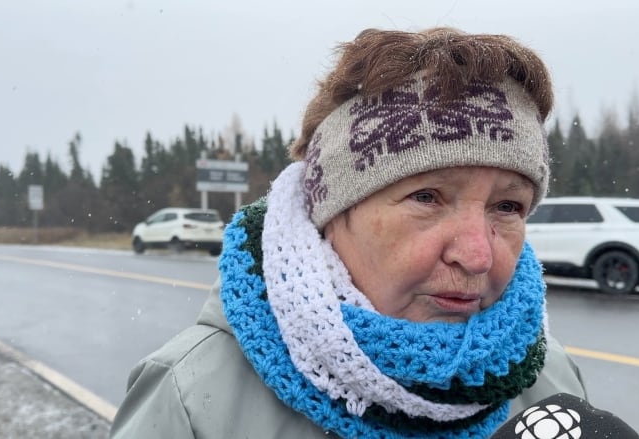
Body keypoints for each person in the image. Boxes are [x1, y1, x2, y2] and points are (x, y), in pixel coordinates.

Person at [110, 26, 588, 438]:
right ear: (330, 215)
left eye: (508, 206)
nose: (477, 255)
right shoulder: (193, 396)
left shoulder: (548, 379)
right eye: (427, 197)